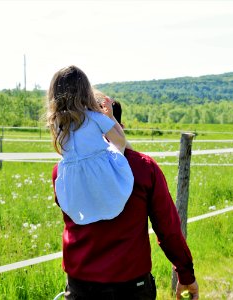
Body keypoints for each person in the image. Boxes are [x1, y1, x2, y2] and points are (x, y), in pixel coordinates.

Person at [52, 86, 199, 299]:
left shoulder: (63, 171)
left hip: (81, 286)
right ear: (118, 127)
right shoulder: (144, 168)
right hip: (131, 286)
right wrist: (186, 275)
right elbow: (168, 229)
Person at [46, 65, 134, 225]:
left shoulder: (59, 123)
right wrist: (110, 117)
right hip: (102, 174)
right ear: (86, 91)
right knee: (116, 152)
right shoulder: (94, 117)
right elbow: (120, 141)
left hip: (75, 184)